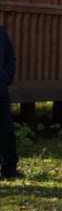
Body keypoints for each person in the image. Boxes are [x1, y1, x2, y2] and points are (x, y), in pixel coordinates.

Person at [0, 24, 16, 181]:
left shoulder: (2, 33)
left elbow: (10, 58)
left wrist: (6, 77)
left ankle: (10, 168)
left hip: (1, 90)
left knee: (7, 129)